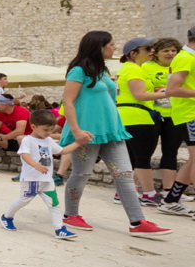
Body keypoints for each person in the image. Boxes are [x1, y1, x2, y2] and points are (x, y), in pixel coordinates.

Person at [59, 30, 170, 237]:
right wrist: (76, 130)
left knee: (125, 175)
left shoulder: (102, 71)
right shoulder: (78, 71)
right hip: (87, 132)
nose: (114, 48)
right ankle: (70, 215)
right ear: (99, 47)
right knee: (81, 174)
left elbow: (110, 101)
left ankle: (137, 222)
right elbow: (68, 101)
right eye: (111, 44)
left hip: (112, 131)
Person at [0, 110, 81, 239]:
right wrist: (36, 165)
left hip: (47, 180)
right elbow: (25, 155)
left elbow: (63, 150)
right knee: (24, 200)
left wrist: (78, 143)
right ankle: (6, 217)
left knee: (54, 204)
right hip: (32, 180)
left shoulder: (48, 140)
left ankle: (59, 229)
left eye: (51, 129)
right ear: (33, 127)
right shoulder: (28, 140)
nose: (49, 133)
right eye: (46, 130)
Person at [116, 37, 167, 206]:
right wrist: (168, 93)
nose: (152, 51)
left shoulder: (127, 68)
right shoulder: (134, 70)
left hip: (127, 115)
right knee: (143, 157)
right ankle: (149, 193)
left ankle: (124, 192)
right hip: (138, 116)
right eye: (147, 48)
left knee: (131, 157)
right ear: (133, 53)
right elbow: (140, 95)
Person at [159, 26, 195, 216]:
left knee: (192, 160)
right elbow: (172, 89)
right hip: (190, 114)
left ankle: (171, 200)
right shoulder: (185, 58)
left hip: (190, 114)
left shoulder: (188, 57)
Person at [143, 38, 184, 197]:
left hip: (174, 114)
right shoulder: (147, 67)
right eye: (166, 51)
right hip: (153, 114)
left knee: (171, 151)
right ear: (156, 53)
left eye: (173, 50)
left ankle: (169, 190)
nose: (170, 53)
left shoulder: (181, 67)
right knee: (146, 152)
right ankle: (138, 189)